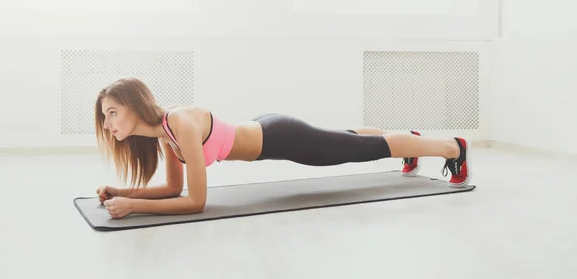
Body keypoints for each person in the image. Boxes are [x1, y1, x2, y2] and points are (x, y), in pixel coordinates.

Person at [95, 77, 471, 219]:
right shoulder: (165, 134)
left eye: (113, 112)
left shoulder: (180, 123)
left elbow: (197, 203)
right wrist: (122, 192)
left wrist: (134, 207)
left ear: (134, 104)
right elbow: (173, 191)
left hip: (281, 137)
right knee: (343, 139)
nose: (109, 124)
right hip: (271, 131)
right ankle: (406, 139)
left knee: (361, 150)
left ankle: (452, 148)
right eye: (105, 117)